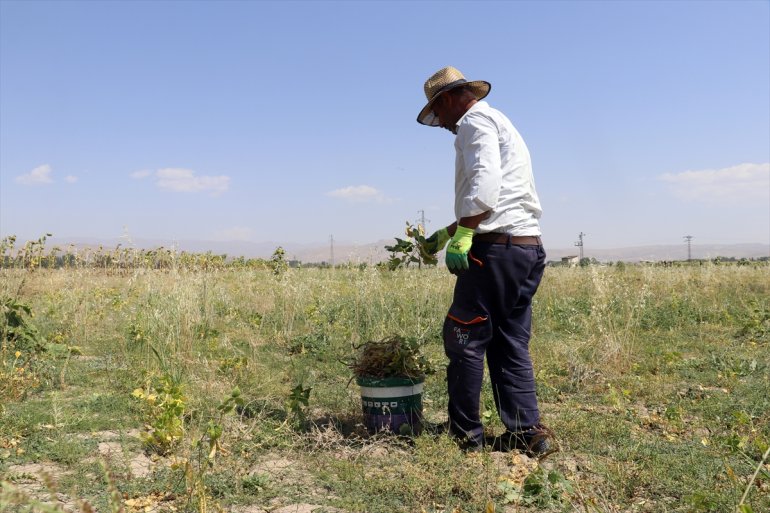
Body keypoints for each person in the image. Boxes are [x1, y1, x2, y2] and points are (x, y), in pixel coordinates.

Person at [417, 66, 552, 455]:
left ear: (447, 100)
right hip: (523, 248)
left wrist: (464, 234)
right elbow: (502, 194)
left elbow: (485, 182)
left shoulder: (474, 122)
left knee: (465, 338)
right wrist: (448, 232)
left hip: (492, 252)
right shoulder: (497, 120)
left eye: (437, 113)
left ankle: (466, 436)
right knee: (509, 342)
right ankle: (527, 432)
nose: (441, 123)